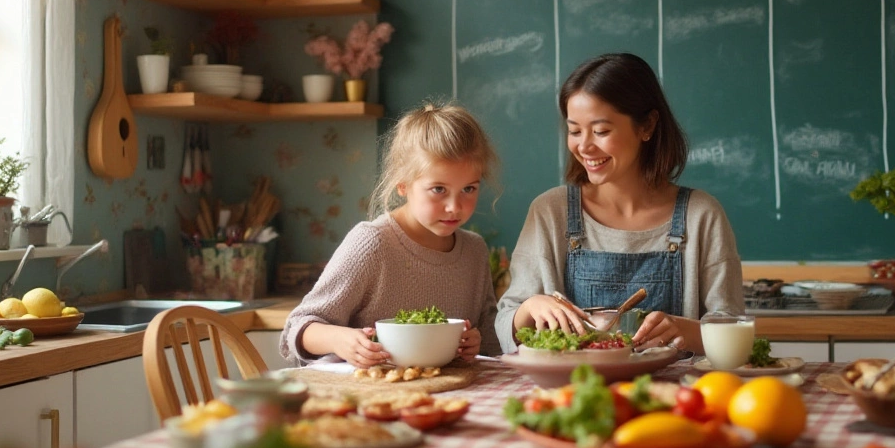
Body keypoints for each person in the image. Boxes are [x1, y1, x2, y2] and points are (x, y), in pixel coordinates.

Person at [495, 53, 743, 354]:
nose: (584, 146)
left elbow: (734, 332)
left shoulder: (701, 215)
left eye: (601, 131)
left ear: (647, 126)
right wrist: (530, 308)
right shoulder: (550, 212)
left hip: (672, 397)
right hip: (573, 393)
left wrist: (686, 331)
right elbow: (505, 325)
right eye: (574, 131)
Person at [281, 101, 503, 367]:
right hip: (358, 395)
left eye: (468, 189)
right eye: (438, 189)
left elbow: (490, 342)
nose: (454, 206)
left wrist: (474, 343)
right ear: (403, 184)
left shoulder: (474, 251)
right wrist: (341, 340)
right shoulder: (372, 244)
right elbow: (297, 328)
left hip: (440, 397)